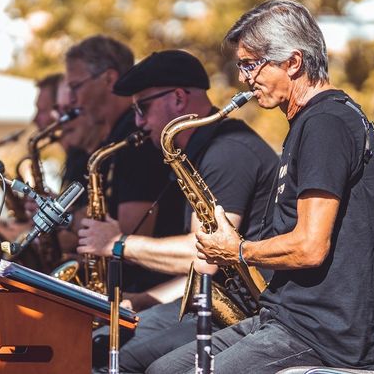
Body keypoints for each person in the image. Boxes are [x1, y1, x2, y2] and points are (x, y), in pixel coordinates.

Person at [148, 0, 374, 372]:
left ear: (293, 62)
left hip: (316, 335)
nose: (244, 78)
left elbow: (310, 247)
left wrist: (238, 251)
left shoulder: (325, 124)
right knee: (164, 369)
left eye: (251, 64)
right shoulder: (328, 118)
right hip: (288, 319)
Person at [77, 49, 278, 373]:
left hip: (248, 314)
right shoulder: (197, 153)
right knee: (95, 343)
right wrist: (141, 300)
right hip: (213, 303)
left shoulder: (227, 151)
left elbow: (203, 255)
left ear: (179, 99)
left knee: (122, 360)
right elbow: (199, 272)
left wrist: (117, 243)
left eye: (143, 107)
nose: (139, 122)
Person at [61, 35, 185, 295]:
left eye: (76, 87)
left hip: (149, 290)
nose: (72, 100)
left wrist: (66, 219)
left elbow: (131, 230)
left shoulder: (135, 139)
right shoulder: (115, 137)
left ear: (108, 78)